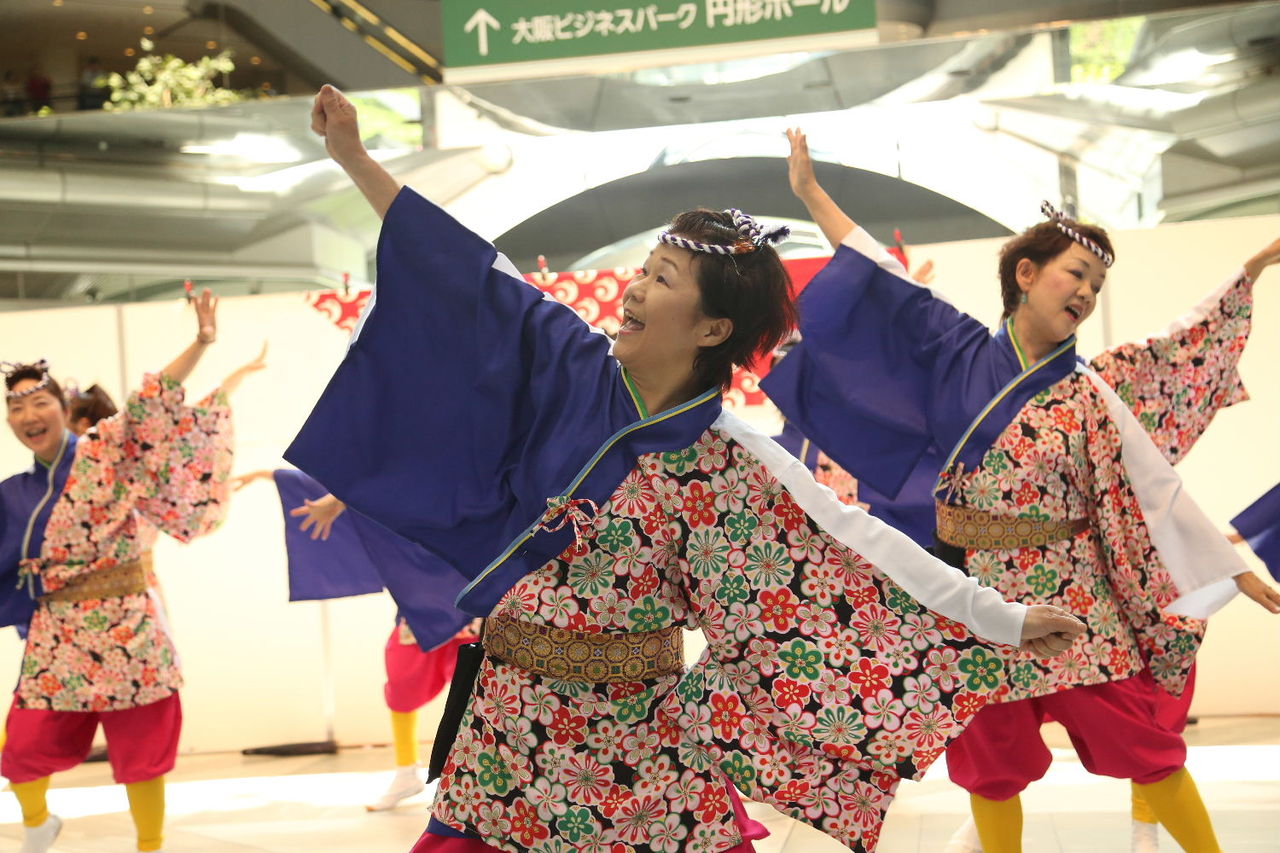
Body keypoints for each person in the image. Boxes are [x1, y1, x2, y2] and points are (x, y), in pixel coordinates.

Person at [285, 85, 1085, 853]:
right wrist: (354, 155)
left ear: (712, 328)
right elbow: (465, 269)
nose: (634, 290)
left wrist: (1001, 616)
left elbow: (858, 540)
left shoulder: (731, 458)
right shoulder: (566, 362)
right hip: (509, 724)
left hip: (645, 747)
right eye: (643, 270)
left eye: (662, 279)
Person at [765, 128, 1280, 853]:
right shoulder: (954, 348)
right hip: (977, 595)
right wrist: (812, 193)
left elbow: (1155, 487)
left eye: (1096, 285)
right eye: (1076, 274)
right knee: (990, 768)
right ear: (1027, 273)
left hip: (1073, 597)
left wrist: (1228, 569)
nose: (1087, 292)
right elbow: (880, 274)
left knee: (1146, 749)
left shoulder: (1091, 391)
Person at [0, 290, 237, 853]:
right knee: (22, 746)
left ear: (63, 408)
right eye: (15, 407)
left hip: (127, 623)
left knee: (141, 752)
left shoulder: (104, 450)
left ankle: (149, 846)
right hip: (58, 635)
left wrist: (201, 342)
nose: (28, 416)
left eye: (40, 402)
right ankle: (38, 826)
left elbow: (150, 402)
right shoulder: (12, 494)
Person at [233, 467, 477, 811]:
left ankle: (466, 777)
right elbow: (357, 483)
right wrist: (268, 475)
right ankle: (406, 772)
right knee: (401, 686)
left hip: (472, 605)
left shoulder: (462, 481)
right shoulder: (399, 482)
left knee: (473, 697)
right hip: (418, 610)